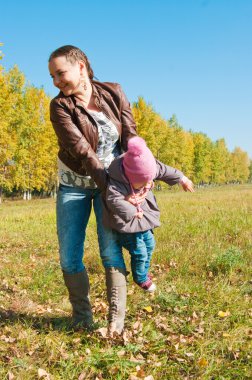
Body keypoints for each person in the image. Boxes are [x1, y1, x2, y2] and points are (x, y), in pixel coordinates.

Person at [48, 45, 137, 333]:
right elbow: (83, 152)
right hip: (73, 186)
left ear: (81, 67)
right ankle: (82, 319)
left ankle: (116, 323)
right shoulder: (60, 106)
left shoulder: (114, 92)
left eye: (60, 73)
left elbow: (131, 139)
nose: (56, 82)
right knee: (69, 255)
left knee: (110, 251)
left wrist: (136, 177)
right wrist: (111, 188)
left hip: (109, 184)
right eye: (52, 77)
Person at [102, 137, 194, 292]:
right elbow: (113, 200)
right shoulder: (117, 179)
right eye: (143, 182)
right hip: (128, 224)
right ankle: (140, 277)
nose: (147, 185)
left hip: (143, 220)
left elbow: (164, 170)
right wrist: (132, 211)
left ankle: (143, 271)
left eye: (149, 181)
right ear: (130, 177)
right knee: (139, 250)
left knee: (150, 244)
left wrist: (182, 178)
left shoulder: (148, 167)